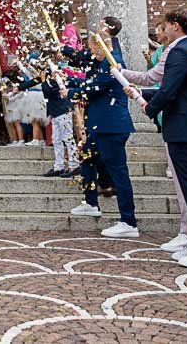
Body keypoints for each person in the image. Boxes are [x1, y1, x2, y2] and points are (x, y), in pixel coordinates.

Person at [121, 22, 187, 249]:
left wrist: (149, 108)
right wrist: (142, 94)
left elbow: (169, 89)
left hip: (186, 128)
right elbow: (172, 88)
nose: (161, 31)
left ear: (175, 26)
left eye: (165, 26)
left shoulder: (181, 51)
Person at [63, 24, 138, 238]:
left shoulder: (112, 62)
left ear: (99, 46)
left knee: (118, 172)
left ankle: (128, 220)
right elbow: (92, 82)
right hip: (100, 124)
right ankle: (90, 201)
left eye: (91, 47)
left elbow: (96, 87)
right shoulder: (104, 62)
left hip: (111, 125)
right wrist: (70, 82)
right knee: (86, 157)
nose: (90, 52)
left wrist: (71, 92)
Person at [40, 62, 79, 178]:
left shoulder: (59, 80)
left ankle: (74, 164)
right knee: (56, 139)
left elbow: (48, 93)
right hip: (55, 113)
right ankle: (59, 166)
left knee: (67, 137)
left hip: (63, 111)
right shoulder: (50, 79)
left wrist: (43, 81)